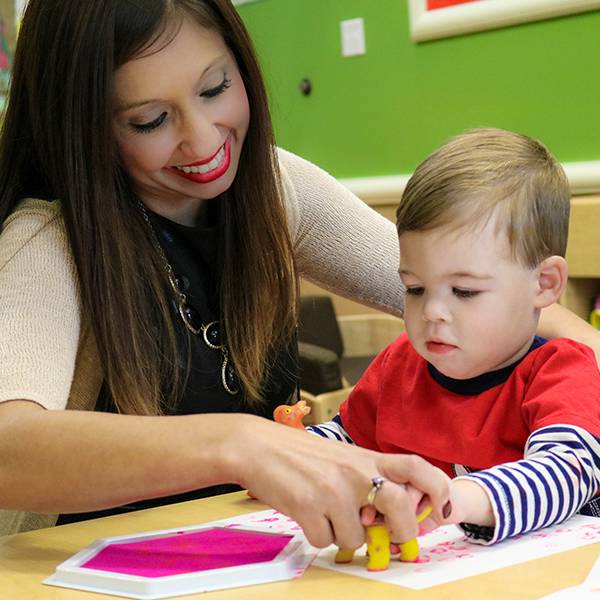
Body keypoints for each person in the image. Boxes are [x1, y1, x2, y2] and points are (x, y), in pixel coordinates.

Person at [0, 1, 596, 545]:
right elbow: (9, 449)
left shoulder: (273, 186)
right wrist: (239, 443)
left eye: (215, 88)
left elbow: (485, 296)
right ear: (85, 127)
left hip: (262, 548)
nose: (203, 139)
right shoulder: (45, 242)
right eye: (150, 120)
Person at [309, 128, 600, 545]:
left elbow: (565, 473)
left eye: (464, 291)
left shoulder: (562, 371)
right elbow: (345, 438)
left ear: (544, 284)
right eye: (414, 288)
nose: (431, 312)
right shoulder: (399, 363)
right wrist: (280, 454)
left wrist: (459, 499)